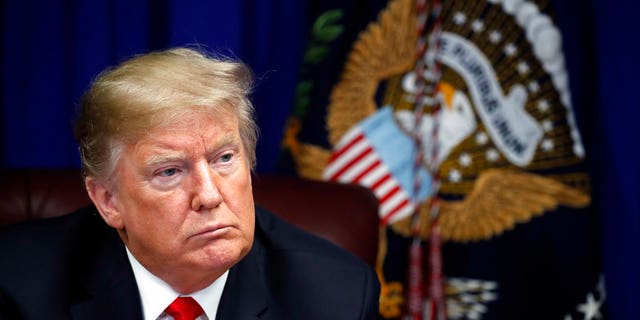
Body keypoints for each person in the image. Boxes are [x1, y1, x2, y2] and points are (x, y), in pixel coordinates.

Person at [0, 47, 380, 319]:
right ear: (108, 200)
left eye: (224, 158)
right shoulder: (17, 286)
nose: (210, 195)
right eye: (169, 172)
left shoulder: (337, 296)